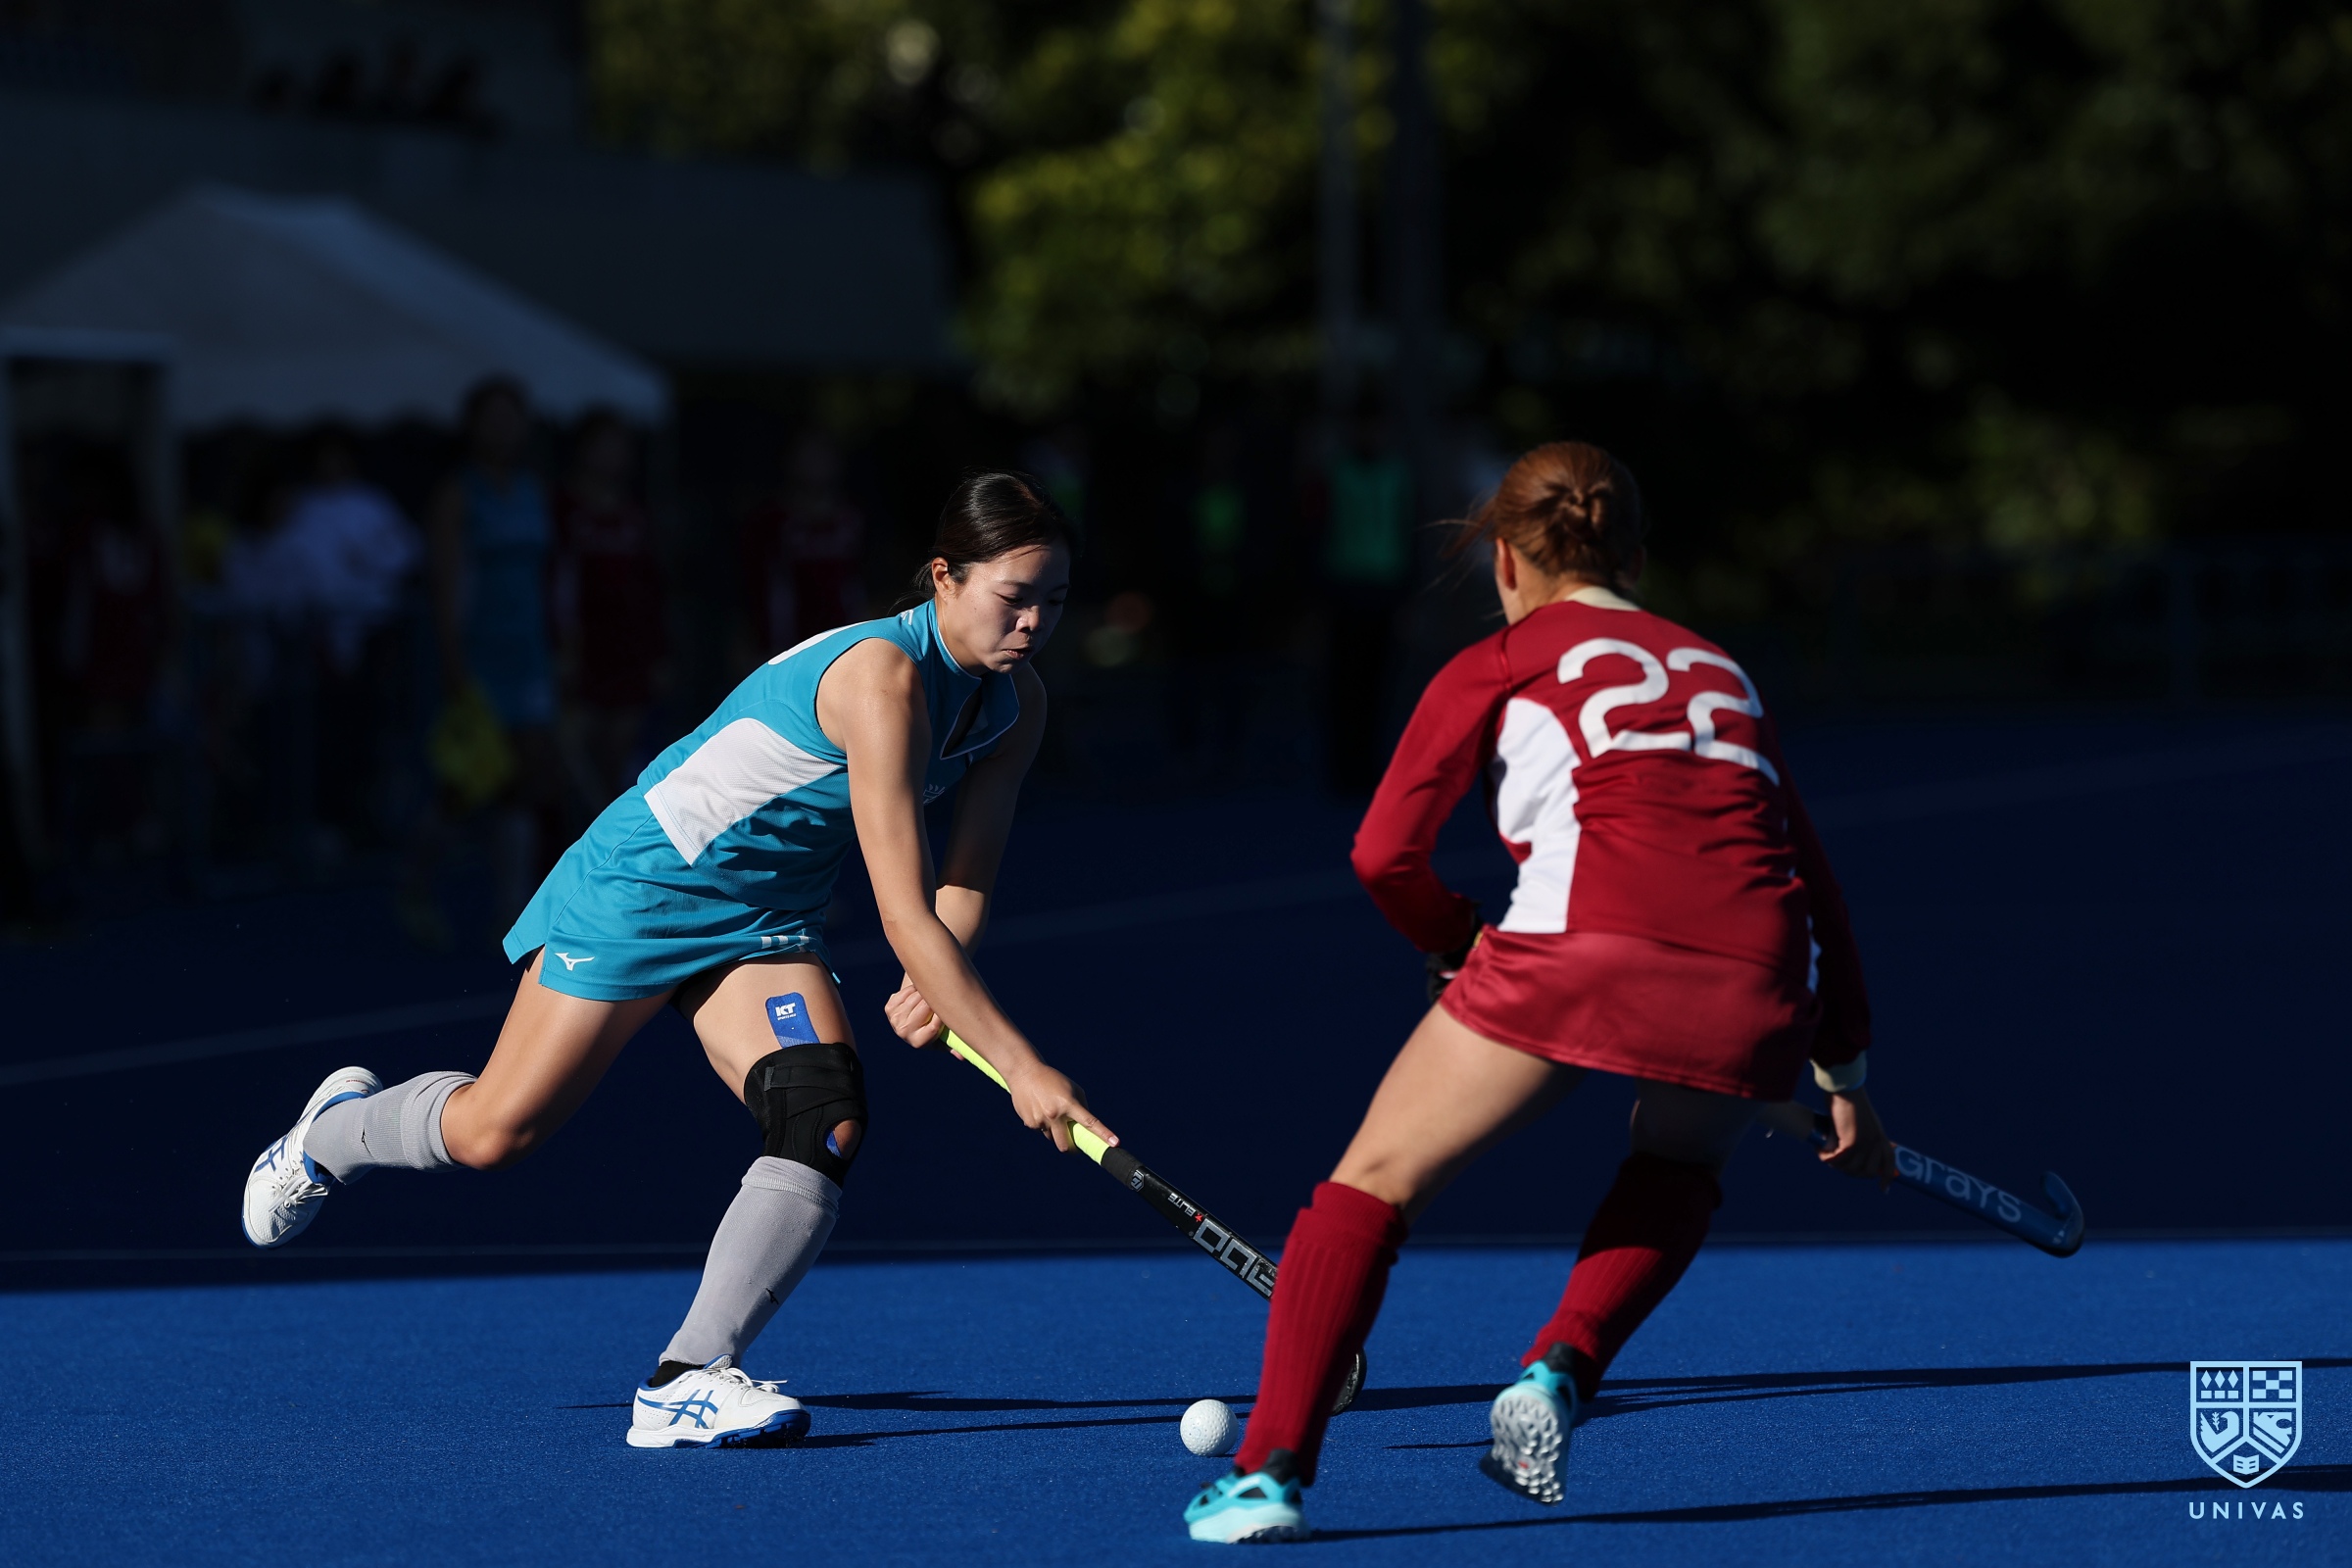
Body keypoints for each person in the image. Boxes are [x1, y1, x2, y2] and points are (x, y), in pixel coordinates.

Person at [240, 471, 1112, 1450]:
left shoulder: (1016, 703)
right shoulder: (883, 678)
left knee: (824, 1113)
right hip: (644, 886)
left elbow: (966, 878)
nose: (1034, 624)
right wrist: (1021, 1064)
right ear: (944, 577)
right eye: (1014, 597)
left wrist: (936, 980)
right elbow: (904, 914)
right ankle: (334, 1134)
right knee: (494, 1132)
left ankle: (687, 1377)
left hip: (765, 918)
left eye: (1054, 601)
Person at [1182, 442, 1894, 1543]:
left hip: (1575, 949)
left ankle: (1269, 1473)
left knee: (1370, 1185)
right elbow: (1817, 884)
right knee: (1679, 1161)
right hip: (1758, 973)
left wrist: (1456, 938)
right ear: (1636, 561)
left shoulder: (1500, 659)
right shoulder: (1722, 670)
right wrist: (1843, 1072)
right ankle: (1561, 1367)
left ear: (1505, 561)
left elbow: (1383, 854)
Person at [399, 376, 565, 945]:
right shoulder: (456, 495)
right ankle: (416, 885)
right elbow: (444, 582)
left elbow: (547, 578)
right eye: (491, 416)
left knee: (527, 777)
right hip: (477, 655)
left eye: (511, 416)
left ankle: (513, 909)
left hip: (529, 654)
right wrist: (453, 660)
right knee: (464, 785)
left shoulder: (533, 491)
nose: (502, 428)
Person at [552, 410, 668, 805]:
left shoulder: (636, 515)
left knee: (619, 758)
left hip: (628, 651)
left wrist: (658, 652)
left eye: (619, 446)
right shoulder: (563, 509)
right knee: (570, 759)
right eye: (602, 445)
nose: (611, 455)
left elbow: (651, 587)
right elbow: (557, 582)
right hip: (579, 650)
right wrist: (561, 645)